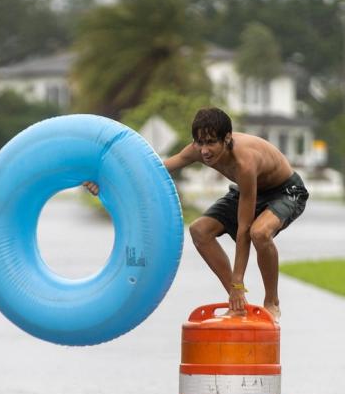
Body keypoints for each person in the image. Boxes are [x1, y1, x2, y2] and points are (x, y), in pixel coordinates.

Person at [86, 107, 308, 321]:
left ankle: (272, 302)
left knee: (259, 233)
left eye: (210, 142)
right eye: (199, 142)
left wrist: (238, 281)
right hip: (247, 190)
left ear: (227, 138)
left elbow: (244, 229)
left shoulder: (245, 162)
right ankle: (238, 305)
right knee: (200, 231)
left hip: (285, 191)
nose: (204, 150)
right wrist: (103, 181)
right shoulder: (197, 150)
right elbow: (153, 170)